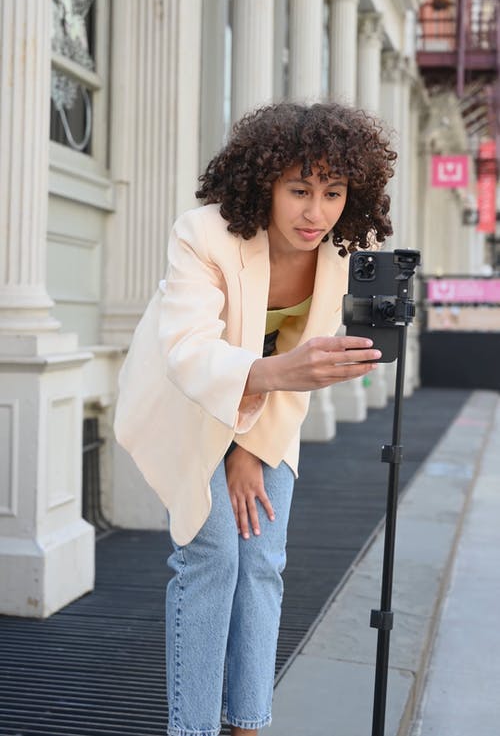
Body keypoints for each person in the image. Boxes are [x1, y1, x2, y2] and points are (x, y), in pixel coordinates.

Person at [113, 100, 396, 736]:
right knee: (212, 552)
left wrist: (248, 452)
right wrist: (276, 378)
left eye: (332, 191)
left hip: (266, 411)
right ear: (263, 182)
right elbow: (187, 352)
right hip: (186, 399)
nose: (315, 212)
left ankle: (248, 723)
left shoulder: (343, 250)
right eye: (299, 189)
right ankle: (192, 728)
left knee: (263, 558)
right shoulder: (203, 234)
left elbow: (307, 370)